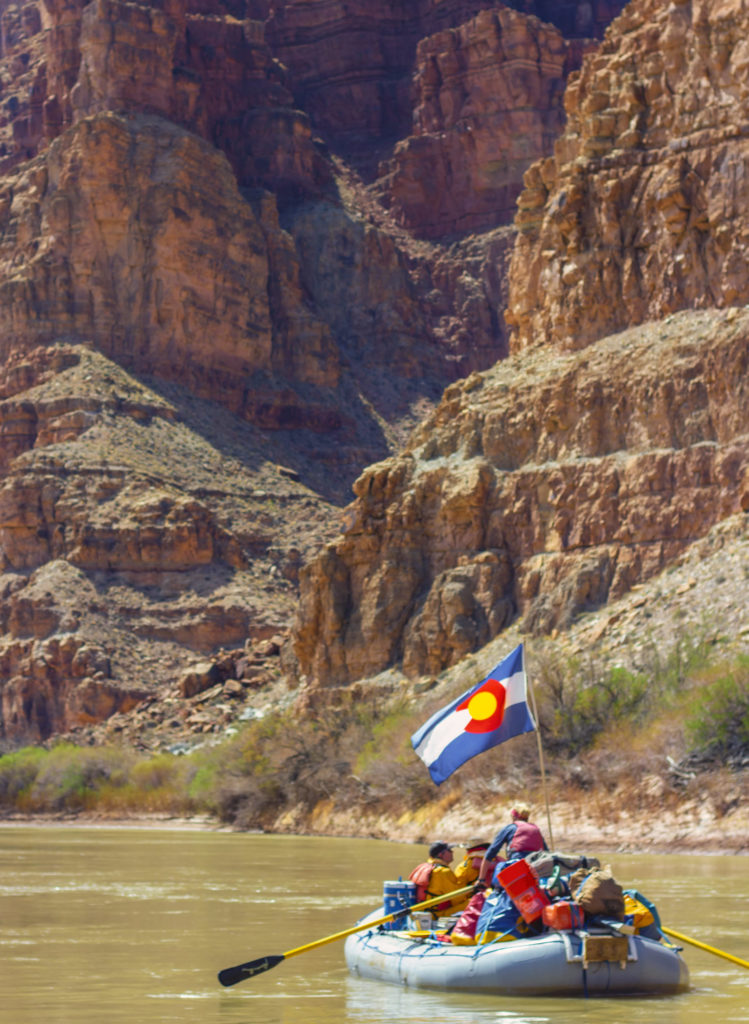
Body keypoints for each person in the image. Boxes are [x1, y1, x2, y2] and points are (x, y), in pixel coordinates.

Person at [478, 805, 548, 884]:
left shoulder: (510, 828)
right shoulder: (535, 829)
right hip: (538, 869)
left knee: (499, 867)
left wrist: (481, 879)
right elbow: (547, 852)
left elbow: (490, 853)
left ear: (513, 817)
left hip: (518, 869)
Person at [408, 841, 466, 914]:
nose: (452, 852)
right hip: (437, 914)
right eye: (449, 850)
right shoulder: (444, 872)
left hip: (423, 911)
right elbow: (458, 900)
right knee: (471, 902)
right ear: (440, 854)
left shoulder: (425, 867)